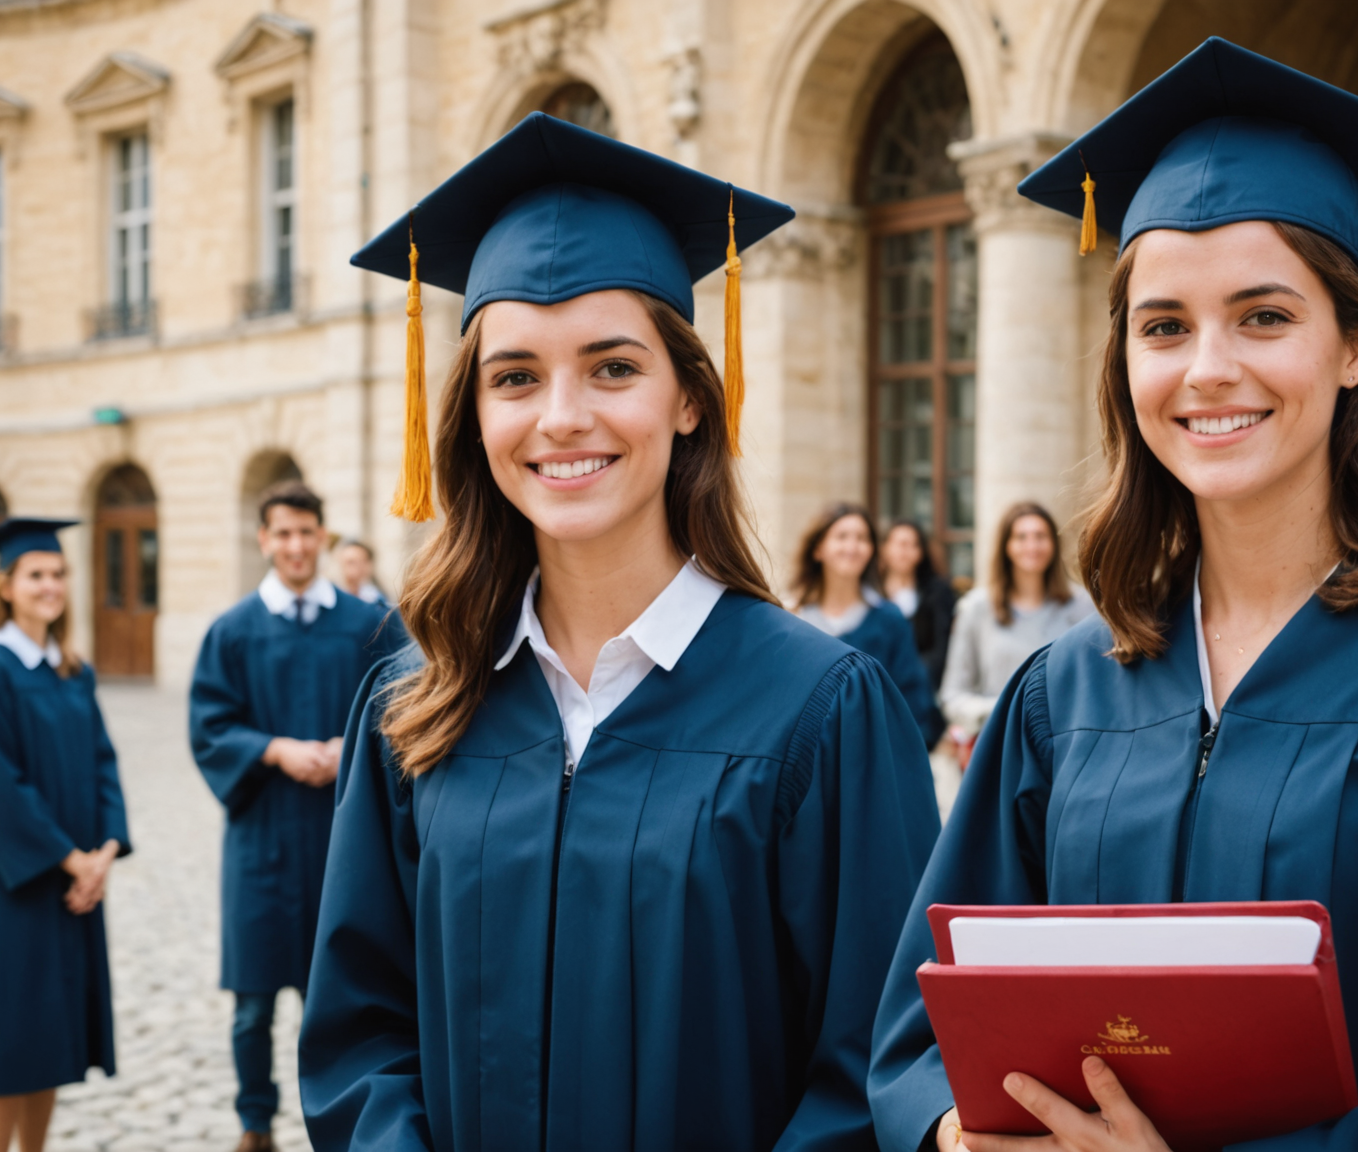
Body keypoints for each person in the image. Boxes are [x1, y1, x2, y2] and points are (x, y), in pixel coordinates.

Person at [869, 38, 1358, 1152]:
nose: (1207, 369)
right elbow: (919, 1029)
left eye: (1265, 316)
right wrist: (956, 1131)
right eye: (1164, 326)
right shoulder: (1063, 695)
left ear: (1357, 345)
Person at [297, 112, 941, 1151]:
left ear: (688, 399)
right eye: (515, 377)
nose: (560, 416)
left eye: (612, 368)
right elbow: (361, 1038)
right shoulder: (415, 709)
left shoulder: (821, 712)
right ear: (474, 416)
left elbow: (876, 1064)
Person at [190, 481, 409, 1152]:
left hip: (349, 843)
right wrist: (275, 750)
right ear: (264, 540)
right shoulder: (232, 631)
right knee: (252, 1006)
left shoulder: (369, 625)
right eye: (282, 533)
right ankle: (255, 1124)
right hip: (263, 839)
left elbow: (411, 706)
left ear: (322, 537)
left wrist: (354, 748)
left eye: (306, 533)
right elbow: (209, 727)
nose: (295, 546)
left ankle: (345, 1127)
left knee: (348, 996)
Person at [0, 518, 130, 1152]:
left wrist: (104, 852)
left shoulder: (72, 671)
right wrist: (71, 861)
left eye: (58, 574)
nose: (50, 585)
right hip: (10, 885)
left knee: (49, 1037)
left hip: (72, 883)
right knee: (5, 1043)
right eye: (35, 575)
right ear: (5, 587)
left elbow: (104, 764)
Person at [938, 503, 1094, 743]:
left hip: (1065, 744)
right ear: (1006, 546)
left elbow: (1094, 686)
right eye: (1021, 537)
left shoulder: (1083, 606)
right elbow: (953, 696)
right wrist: (1006, 711)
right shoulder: (975, 608)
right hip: (999, 743)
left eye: (1040, 536)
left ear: (1054, 544)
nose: (1032, 546)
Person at [792, 503, 941, 748]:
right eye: (842, 536)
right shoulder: (795, 621)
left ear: (872, 550)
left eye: (862, 538)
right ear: (818, 549)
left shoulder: (890, 619)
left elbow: (910, 701)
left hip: (872, 756)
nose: (852, 547)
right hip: (806, 760)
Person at [881, 520, 957, 703]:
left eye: (912, 545)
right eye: (900, 544)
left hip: (924, 691)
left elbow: (942, 647)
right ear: (885, 548)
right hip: (879, 687)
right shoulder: (870, 594)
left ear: (921, 552)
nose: (905, 551)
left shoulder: (938, 593)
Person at [331, 538, 388, 607]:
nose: (355, 567)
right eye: (350, 562)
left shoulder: (377, 599)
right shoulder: (331, 596)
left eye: (360, 562)